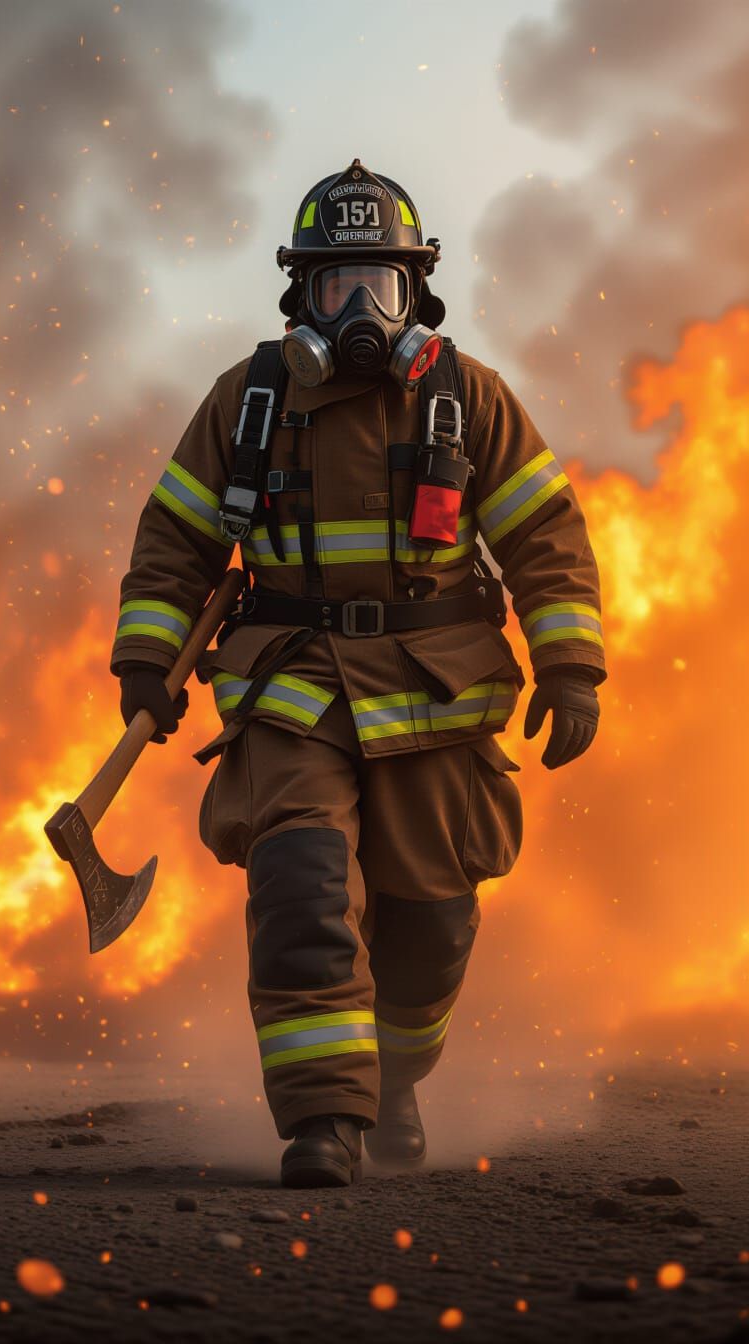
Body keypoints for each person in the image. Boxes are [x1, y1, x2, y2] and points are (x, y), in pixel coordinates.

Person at [113, 158, 605, 1188]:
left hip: (437, 692)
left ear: (416, 291)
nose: (357, 312)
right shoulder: (248, 401)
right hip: (292, 690)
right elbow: (176, 539)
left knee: (429, 918)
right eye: (336, 287)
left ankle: (395, 1079)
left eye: (377, 286)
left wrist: (569, 664)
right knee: (301, 887)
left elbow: (543, 532)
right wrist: (148, 657)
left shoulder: (468, 399)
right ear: (302, 295)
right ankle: (322, 1123)